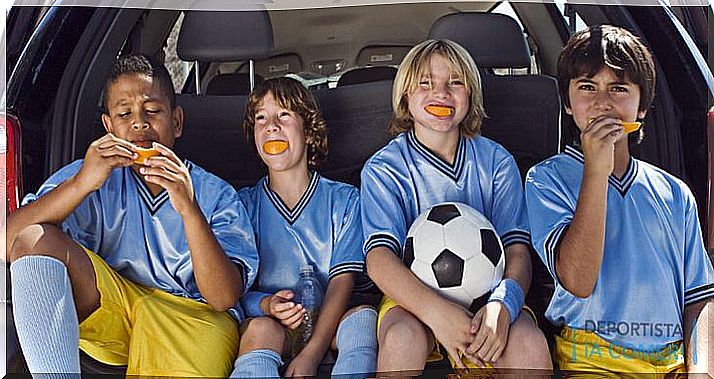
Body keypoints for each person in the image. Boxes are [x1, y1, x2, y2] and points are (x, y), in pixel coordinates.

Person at [7, 54, 259, 377]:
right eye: (125, 113)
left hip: (196, 315)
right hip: (119, 307)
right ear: (109, 127)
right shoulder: (92, 175)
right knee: (32, 238)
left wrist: (189, 209)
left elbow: (224, 298)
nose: (139, 123)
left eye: (152, 111)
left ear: (177, 122)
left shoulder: (214, 192)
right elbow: (8, 240)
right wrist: (82, 183)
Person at [525, 25, 714, 376]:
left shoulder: (674, 193)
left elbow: (700, 298)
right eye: (587, 87)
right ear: (567, 103)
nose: (602, 102)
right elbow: (578, 281)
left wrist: (701, 369)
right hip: (591, 361)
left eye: (619, 88)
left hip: (672, 361)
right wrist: (596, 170)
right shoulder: (546, 179)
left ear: (641, 107)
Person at [359, 38, 552, 375]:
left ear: (471, 95)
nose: (441, 93)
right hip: (413, 300)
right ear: (405, 95)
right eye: (425, 83)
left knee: (529, 344)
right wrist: (436, 313)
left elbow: (517, 250)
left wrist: (501, 306)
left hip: (491, 296)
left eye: (455, 82)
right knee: (402, 338)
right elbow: (379, 259)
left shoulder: (496, 162)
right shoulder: (384, 169)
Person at [230, 77, 378, 378]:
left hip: (330, 323)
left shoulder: (344, 200)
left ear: (309, 132)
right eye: (261, 117)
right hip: (275, 326)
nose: (271, 125)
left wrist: (312, 354)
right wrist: (267, 304)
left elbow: (341, 283)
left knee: (362, 321)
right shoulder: (243, 206)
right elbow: (235, 287)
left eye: (283, 114)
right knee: (259, 329)